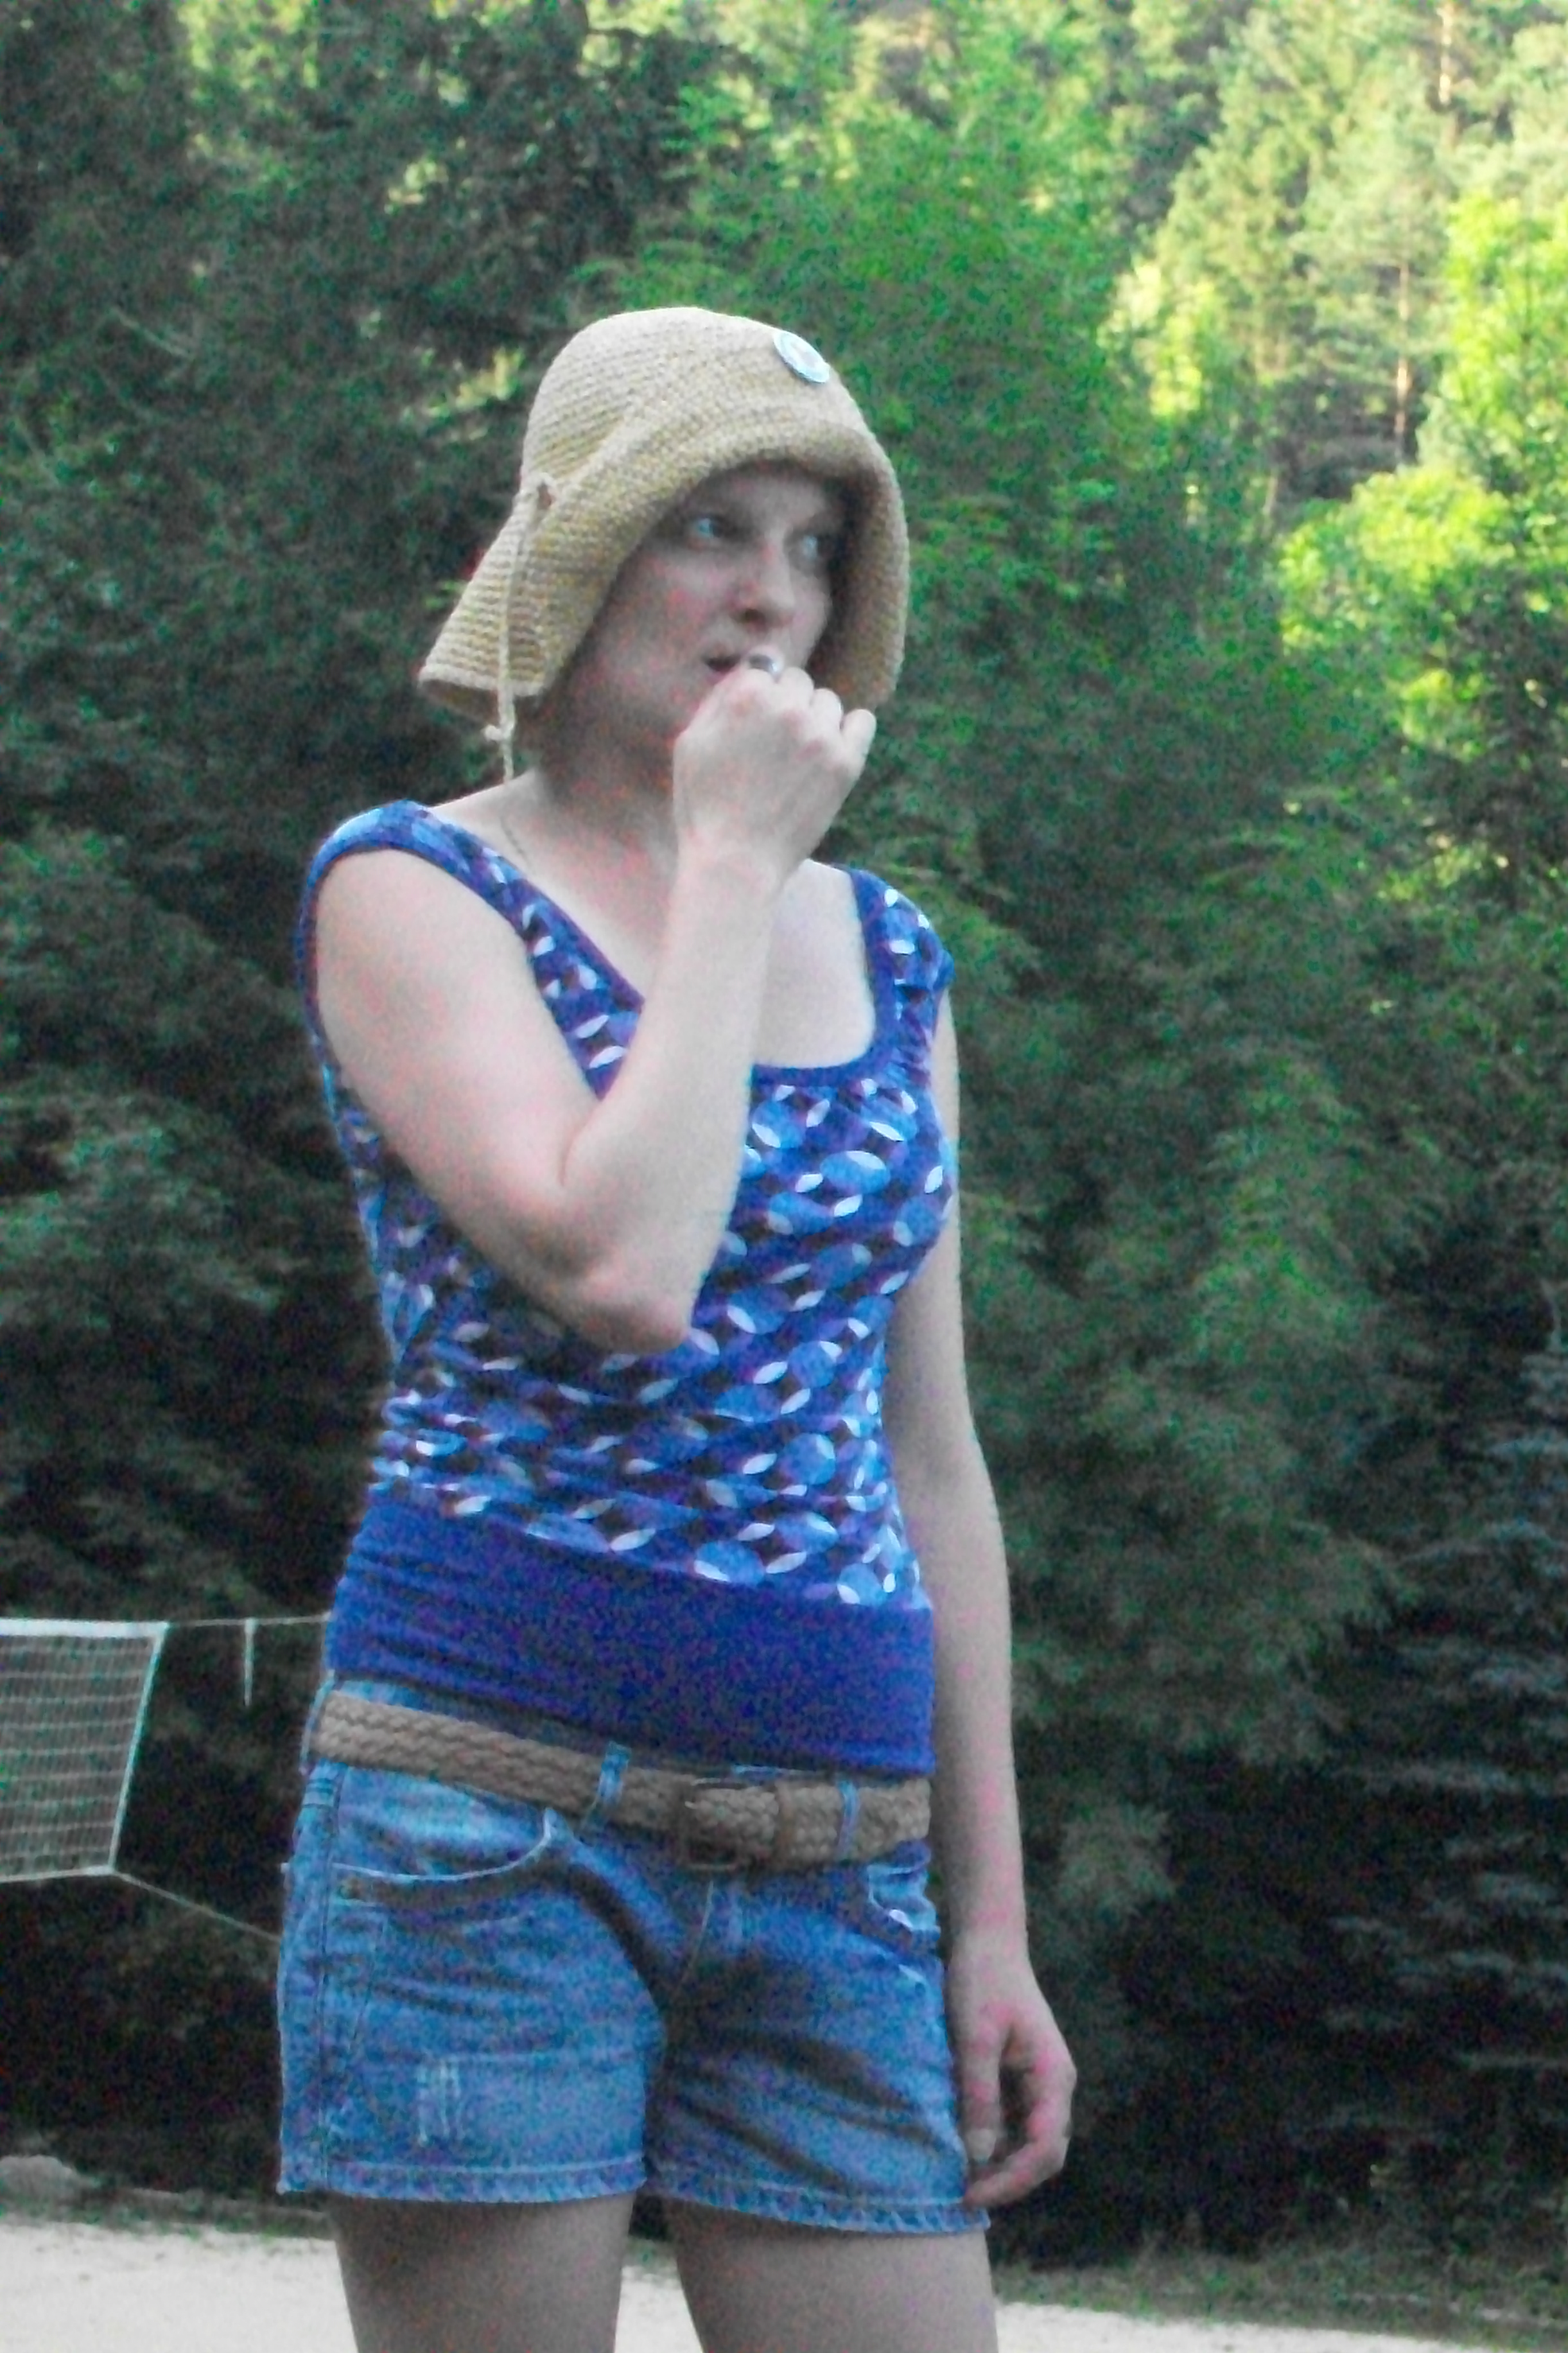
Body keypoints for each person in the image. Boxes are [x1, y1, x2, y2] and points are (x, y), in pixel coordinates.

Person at [279, 305, 1074, 2353]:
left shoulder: (888, 953)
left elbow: (931, 1462)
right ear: (578, 548)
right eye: (709, 527)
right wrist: (727, 868)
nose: (770, 596)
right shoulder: (411, 889)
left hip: (840, 1847)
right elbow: (621, 1270)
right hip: (484, 1814)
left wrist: (987, 1922)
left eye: (815, 547)